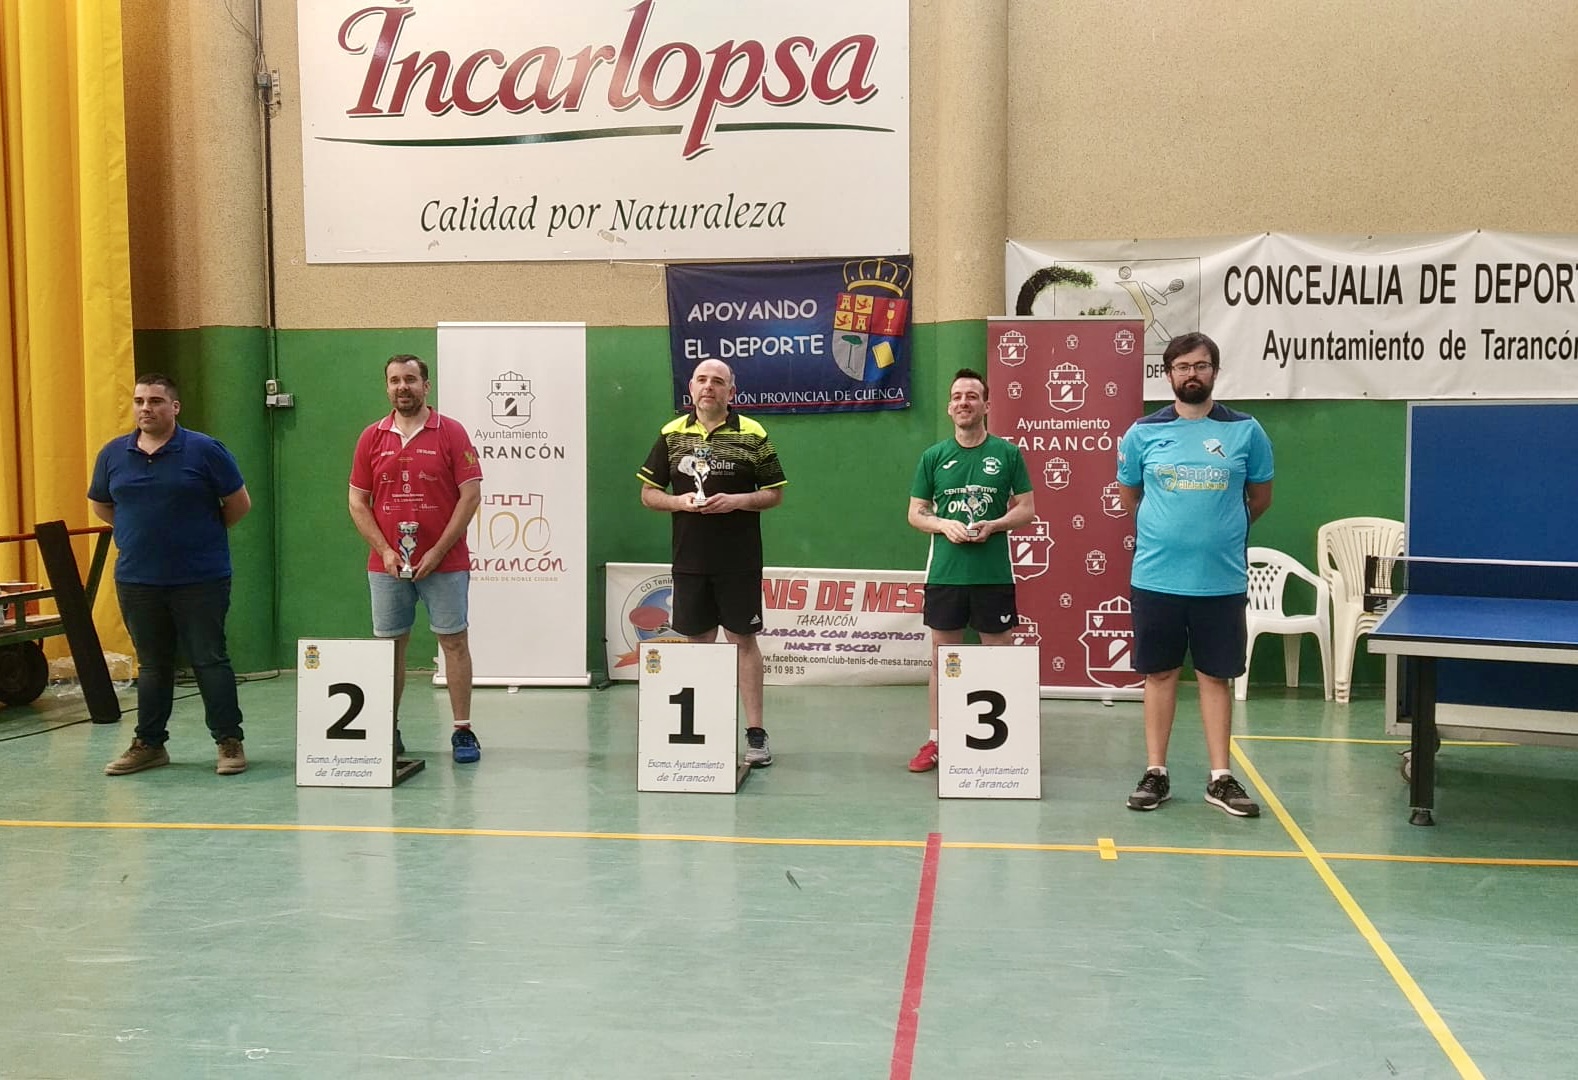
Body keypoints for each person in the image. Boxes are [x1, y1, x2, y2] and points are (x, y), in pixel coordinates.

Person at [1116, 332, 1274, 817]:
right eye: (1182, 366)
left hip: (1220, 581)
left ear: (1214, 372)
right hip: (1156, 579)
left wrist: (1216, 535)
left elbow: (1259, 498)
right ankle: (1156, 773)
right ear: (1168, 374)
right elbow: (1130, 497)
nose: (1192, 374)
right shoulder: (1142, 433)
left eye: (1201, 365)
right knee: (1159, 673)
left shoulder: (1247, 431)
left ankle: (1220, 778)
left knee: (1214, 676)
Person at [89, 373, 252, 776]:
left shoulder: (205, 450)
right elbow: (102, 504)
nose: (146, 408)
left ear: (174, 407)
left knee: (209, 660)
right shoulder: (113, 454)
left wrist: (199, 536)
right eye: (140, 401)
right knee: (152, 665)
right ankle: (149, 744)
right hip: (137, 580)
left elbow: (238, 504)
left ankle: (229, 741)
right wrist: (138, 533)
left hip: (201, 579)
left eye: (156, 401)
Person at [638, 359, 787, 767]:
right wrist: (678, 502)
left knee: (743, 641)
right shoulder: (671, 434)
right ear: (690, 388)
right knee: (698, 644)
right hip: (690, 560)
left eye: (718, 382)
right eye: (702, 380)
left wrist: (737, 501)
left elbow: (774, 493)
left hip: (739, 561)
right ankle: (704, 730)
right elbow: (648, 494)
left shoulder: (753, 433)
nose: (709, 387)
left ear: (730, 392)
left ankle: (755, 733)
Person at [348, 354, 484, 763]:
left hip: (446, 563)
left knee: (454, 642)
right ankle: (387, 729)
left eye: (410, 379)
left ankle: (463, 731)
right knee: (390, 648)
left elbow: (470, 495)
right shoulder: (371, 437)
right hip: (387, 567)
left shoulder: (451, 432)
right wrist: (386, 550)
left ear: (426, 386)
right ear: (387, 387)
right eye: (394, 380)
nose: (402, 387)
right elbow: (357, 502)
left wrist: (438, 551)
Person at [906, 368, 1035, 772]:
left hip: (993, 576)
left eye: (972, 396)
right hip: (945, 575)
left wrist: (994, 525)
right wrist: (943, 524)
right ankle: (937, 740)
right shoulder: (933, 456)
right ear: (949, 407)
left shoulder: (1007, 454)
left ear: (986, 405)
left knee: (998, 659)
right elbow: (915, 513)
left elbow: (1027, 509)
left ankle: (1003, 743)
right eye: (958, 396)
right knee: (943, 659)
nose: (964, 402)